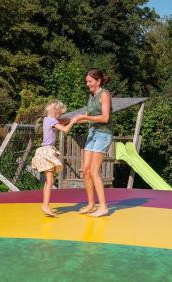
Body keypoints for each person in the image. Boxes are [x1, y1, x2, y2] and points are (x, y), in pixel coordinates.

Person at [71, 68, 113, 217]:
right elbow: (88, 116)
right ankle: (91, 204)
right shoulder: (92, 96)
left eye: (90, 81)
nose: (87, 84)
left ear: (98, 81)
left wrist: (85, 118)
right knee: (86, 170)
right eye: (86, 81)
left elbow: (105, 118)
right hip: (92, 134)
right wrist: (73, 120)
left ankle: (103, 207)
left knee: (94, 171)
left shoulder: (104, 95)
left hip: (103, 135)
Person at [31, 100, 74, 216]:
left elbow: (62, 121)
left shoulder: (47, 119)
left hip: (44, 151)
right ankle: (45, 206)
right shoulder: (52, 121)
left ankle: (45, 205)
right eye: (59, 113)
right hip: (47, 152)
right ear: (55, 112)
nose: (60, 116)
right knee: (49, 181)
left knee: (48, 181)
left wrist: (76, 119)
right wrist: (73, 121)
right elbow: (65, 129)